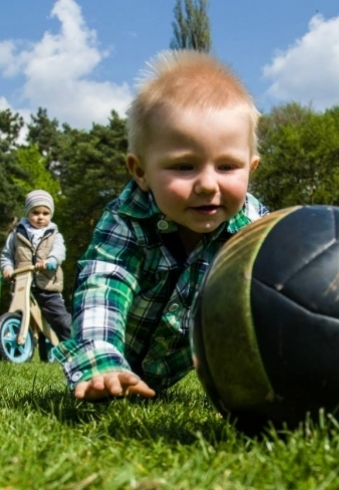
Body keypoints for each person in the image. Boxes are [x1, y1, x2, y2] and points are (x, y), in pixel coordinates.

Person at [52, 49, 268, 400]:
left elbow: (282, 294)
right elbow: (105, 282)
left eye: (227, 167)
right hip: (118, 354)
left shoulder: (257, 231)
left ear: (251, 168)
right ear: (140, 172)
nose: (208, 184)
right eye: (184, 166)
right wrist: (101, 360)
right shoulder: (126, 221)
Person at [0, 189, 72, 343]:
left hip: (47, 286)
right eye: (35, 212)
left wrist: (50, 261)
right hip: (22, 285)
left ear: (50, 215)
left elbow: (60, 252)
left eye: (45, 213)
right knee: (19, 312)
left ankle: (73, 344)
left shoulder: (54, 235)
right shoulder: (16, 234)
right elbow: (7, 255)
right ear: (27, 213)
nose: (40, 217)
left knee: (60, 320)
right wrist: (7, 269)